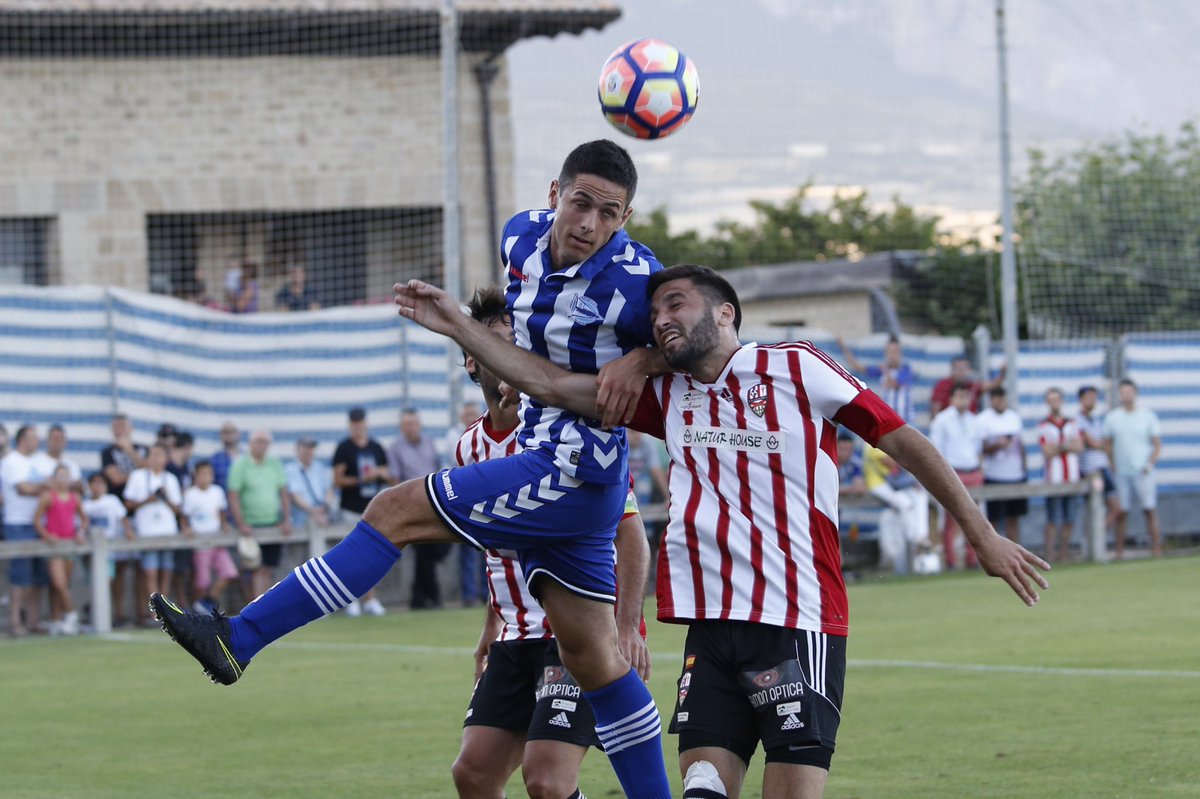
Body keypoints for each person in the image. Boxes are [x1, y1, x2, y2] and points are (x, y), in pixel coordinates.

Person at [394, 262, 1050, 799]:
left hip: (797, 620)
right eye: (655, 312)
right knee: (702, 786)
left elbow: (902, 439)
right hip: (709, 629)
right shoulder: (666, 397)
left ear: (726, 312)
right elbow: (552, 385)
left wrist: (982, 534)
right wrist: (461, 327)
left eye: (676, 303)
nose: (662, 318)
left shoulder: (797, 366)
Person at [152, 140, 674, 799]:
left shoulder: (636, 280)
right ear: (554, 196)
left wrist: (645, 358)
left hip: (573, 469)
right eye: (581, 204)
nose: (591, 224)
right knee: (595, 661)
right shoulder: (520, 238)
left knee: (393, 510)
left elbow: (702, 336)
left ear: (625, 219)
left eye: (609, 213)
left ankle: (239, 638)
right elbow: (528, 362)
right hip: (553, 464)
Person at [449, 287, 651, 799]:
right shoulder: (469, 447)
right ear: (472, 361)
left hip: (578, 630)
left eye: (517, 345)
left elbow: (630, 533)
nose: (511, 356)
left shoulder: (562, 432)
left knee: (546, 779)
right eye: (496, 345)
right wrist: (490, 628)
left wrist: (628, 625)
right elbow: (500, 550)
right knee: (472, 774)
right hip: (514, 634)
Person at [331, 407, 394, 617]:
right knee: (352, 557)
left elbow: (388, 473)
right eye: (354, 424)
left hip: (372, 508)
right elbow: (338, 479)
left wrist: (380, 474)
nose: (358, 427)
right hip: (351, 508)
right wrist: (361, 479)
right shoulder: (344, 448)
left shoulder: (376, 447)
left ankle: (371, 599)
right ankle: (352, 600)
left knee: (370, 557)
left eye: (360, 423)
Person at [389, 408, 448, 611]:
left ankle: (420, 597)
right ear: (401, 427)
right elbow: (395, 479)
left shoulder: (429, 443)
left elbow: (438, 469)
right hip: (412, 505)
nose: (411, 428)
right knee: (423, 551)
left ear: (419, 425)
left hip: (433, 502)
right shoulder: (395, 448)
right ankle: (431, 595)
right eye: (407, 424)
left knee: (430, 553)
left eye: (414, 424)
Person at [227, 430, 292, 600]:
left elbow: (283, 492)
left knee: (268, 567)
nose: (262, 446)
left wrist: (286, 519)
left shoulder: (274, 463)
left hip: (272, 522)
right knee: (255, 567)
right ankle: (258, 605)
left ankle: (264, 604)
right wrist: (241, 522)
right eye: (258, 442)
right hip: (251, 524)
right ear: (250, 444)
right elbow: (233, 494)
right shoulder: (240, 464)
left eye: (265, 442)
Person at [1102, 379, 1162, 559]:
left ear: (1135, 393)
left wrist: (1149, 463)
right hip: (1122, 471)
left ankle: (1157, 550)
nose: (1126, 395)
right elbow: (1107, 444)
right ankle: (1119, 552)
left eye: (1129, 392)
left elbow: (1157, 444)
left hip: (1143, 471)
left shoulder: (1148, 416)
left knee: (1149, 509)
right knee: (1122, 511)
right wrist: (1112, 465)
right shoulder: (1112, 417)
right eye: (1123, 392)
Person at [124, 443, 184, 621]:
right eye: (153, 455)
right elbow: (128, 503)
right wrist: (147, 499)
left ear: (166, 459)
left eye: (160, 455)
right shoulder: (138, 476)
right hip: (147, 530)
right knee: (150, 572)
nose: (156, 458)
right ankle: (154, 611)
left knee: (166, 571)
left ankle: (164, 609)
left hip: (167, 530)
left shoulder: (171, 479)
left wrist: (164, 497)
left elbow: (177, 508)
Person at [928, 383, 985, 568]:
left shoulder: (974, 420)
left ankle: (972, 558)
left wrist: (979, 469)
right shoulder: (942, 420)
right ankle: (951, 561)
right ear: (952, 399)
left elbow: (978, 448)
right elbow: (936, 449)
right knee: (951, 517)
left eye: (966, 396)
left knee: (975, 517)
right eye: (959, 396)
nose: (963, 400)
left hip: (972, 471)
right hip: (954, 472)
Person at [4, 426, 50, 635]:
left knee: (39, 575)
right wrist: (45, 486)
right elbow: (23, 489)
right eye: (33, 437)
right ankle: (15, 621)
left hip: (40, 523)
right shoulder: (12, 461)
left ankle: (33, 620)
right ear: (22, 439)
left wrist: (42, 486)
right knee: (20, 574)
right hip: (18, 522)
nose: (37, 441)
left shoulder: (38, 461)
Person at [443, 401, 489, 607]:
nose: (470, 417)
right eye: (467, 413)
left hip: (486, 498)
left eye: (473, 413)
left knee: (488, 551)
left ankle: (486, 594)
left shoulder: (484, 431)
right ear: (462, 417)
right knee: (469, 551)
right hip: (465, 499)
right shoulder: (454, 436)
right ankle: (469, 595)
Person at [34, 464, 88, 635]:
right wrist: (47, 535)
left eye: (66, 476)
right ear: (54, 478)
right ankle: (71, 614)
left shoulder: (74, 497)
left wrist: (80, 532)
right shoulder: (48, 497)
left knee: (62, 585)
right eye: (60, 475)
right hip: (55, 546)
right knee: (59, 583)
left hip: (69, 544)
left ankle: (56, 619)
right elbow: (37, 520)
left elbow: (84, 519)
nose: (63, 479)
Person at [862, 445, 928, 575]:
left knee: (916, 496)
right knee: (905, 504)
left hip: (890, 490)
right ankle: (914, 537)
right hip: (878, 486)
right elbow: (891, 462)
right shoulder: (870, 446)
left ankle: (917, 537)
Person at [83, 471, 136, 627]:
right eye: (95, 483)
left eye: (101, 483)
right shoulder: (85, 504)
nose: (98, 486)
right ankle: (96, 614)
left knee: (108, 580)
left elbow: (123, 517)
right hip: (91, 550)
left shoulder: (112, 500)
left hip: (110, 549)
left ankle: (111, 614)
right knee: (95, 582)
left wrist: (128, 531)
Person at [183, 461, 236, 615]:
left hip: (217, 541)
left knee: (229, 573)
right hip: (201, 543)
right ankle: (199, 611)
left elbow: (222, 512)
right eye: (203, 474)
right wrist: (186, 528)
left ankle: (206, 602)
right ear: (196, 475)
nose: (206, 477)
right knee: (202, 581)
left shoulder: (217, 492)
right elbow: (185, 516)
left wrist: (224, 524)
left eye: (209, 474)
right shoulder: (191, 494)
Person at [977, 386, 1027, 543]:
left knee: (1013, 517)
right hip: (994, 475)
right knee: (993, 519)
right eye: (996, 399)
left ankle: (1016, 550)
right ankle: (994, 549)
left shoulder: (1014, 417)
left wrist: (1024, 469)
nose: (999, 402)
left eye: (1002, 398)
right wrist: (997, 445)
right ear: (991, 400)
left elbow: (1021, 445)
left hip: (1015, 475)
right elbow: (981, 449)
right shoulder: (983, 419)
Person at [1037, 388, 1082, 563]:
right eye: (1051, 400)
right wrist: (1066, 446)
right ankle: (1050, 553)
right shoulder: (1044, 425)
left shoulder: (1072, 423)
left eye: (1056, 399)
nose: (1054, 403)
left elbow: (1079, 446)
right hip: (1053, 478)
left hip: (1071, 477)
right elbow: (1047, 451)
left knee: (1069, 518)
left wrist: (1058, 446)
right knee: (1053, 518)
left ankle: (1064, 553)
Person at [1075, 386, 1120, 548]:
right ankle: (1091, 542)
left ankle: (1095, 540)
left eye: (1094, 398)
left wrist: (1103, 447)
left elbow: (1104, 443)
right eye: (1089, 397)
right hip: (1090, 471)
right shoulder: (1077, 420)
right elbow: (1095, 443)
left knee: (1115, 507)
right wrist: (1103, 445)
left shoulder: (1097, 420)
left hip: (1103, 468)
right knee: (1093, 509)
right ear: (1081, 399)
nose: (1092, 401)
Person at [838, 334, 914, 421]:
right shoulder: (882, 369)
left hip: (905, 420)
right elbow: (857, 367)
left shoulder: (906, 369)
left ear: (900, 353)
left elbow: (895, 384)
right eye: (889, 352)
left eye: (895, 352)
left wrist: (885, 370)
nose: (892, 355)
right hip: (888, 420)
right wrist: (843, 347)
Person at [929, 355, 1005, 417]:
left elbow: (991, 385)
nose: (962, 372)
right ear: (953, 369)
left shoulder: (971, 385)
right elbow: (936, 408)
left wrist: (1002, 374)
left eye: (965, 368)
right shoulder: (943, 385)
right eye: (960, 368)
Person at [286, 438, 334, 530]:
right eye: (305, 448)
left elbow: (329, 490)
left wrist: (325, 507)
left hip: (322, 511)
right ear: (297, 450)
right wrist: (313, 511)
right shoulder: (290, 469)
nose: (309, 451)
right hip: (302, 513)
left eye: (311, 448)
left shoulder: (319, 467)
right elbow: (295, 496)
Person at [100, 413, 146, 499]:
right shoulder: (107, 452)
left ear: (131, 428)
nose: (119, 430)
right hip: (118, 498)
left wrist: (130, 450)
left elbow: (150, 471)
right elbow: (116, 479)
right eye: (116, 427)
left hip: (142, 497)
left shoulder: (144, 449)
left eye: (122, 426)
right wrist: (140, 476)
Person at [210, 421, 242, 491]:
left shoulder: (246, 458)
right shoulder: (215, 459)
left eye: (231, 432)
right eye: (225, 432)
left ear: (238, 434)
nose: (229, 435)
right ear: (221, 435)